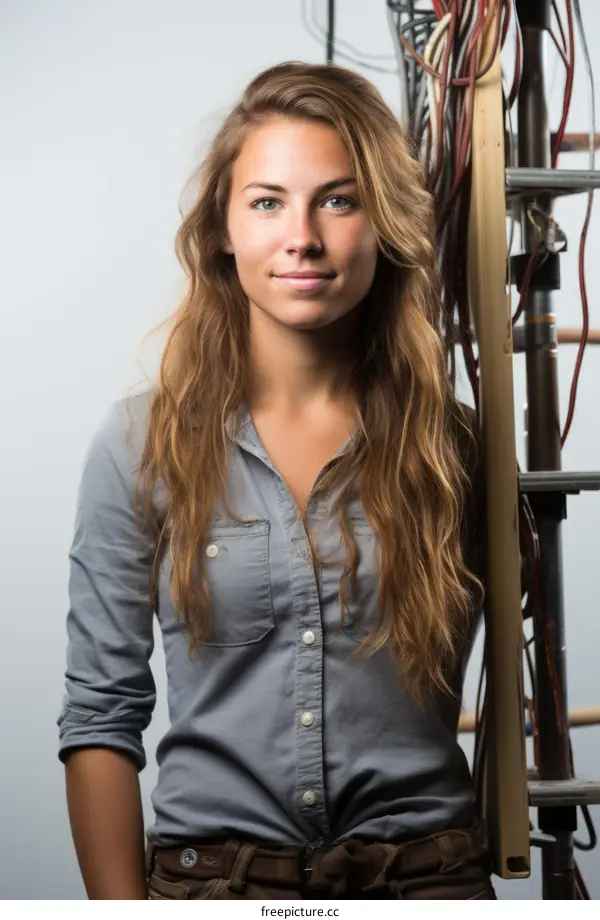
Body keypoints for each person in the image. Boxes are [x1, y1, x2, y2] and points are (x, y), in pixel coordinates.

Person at [57, 60, 493, 900]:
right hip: (212, 887)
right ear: (223, 228)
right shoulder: (140, 444)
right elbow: (99, 721)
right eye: (267, 202)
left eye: (338, 198)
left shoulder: (453, 447)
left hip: (425, 883)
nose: (303, 236)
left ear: (384, 223)